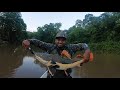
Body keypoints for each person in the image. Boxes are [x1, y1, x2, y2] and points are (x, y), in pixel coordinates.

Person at [22, 31, 91, 78]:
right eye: (58, 39)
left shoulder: (70, 48)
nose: (60, 42)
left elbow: (84, 44)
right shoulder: (50, 47)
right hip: (51, 76)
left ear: (66, 41)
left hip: (66, 76)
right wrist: (28, 41)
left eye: (63, 40)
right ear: (55, 40)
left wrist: (87, 51)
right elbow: (37, 42)